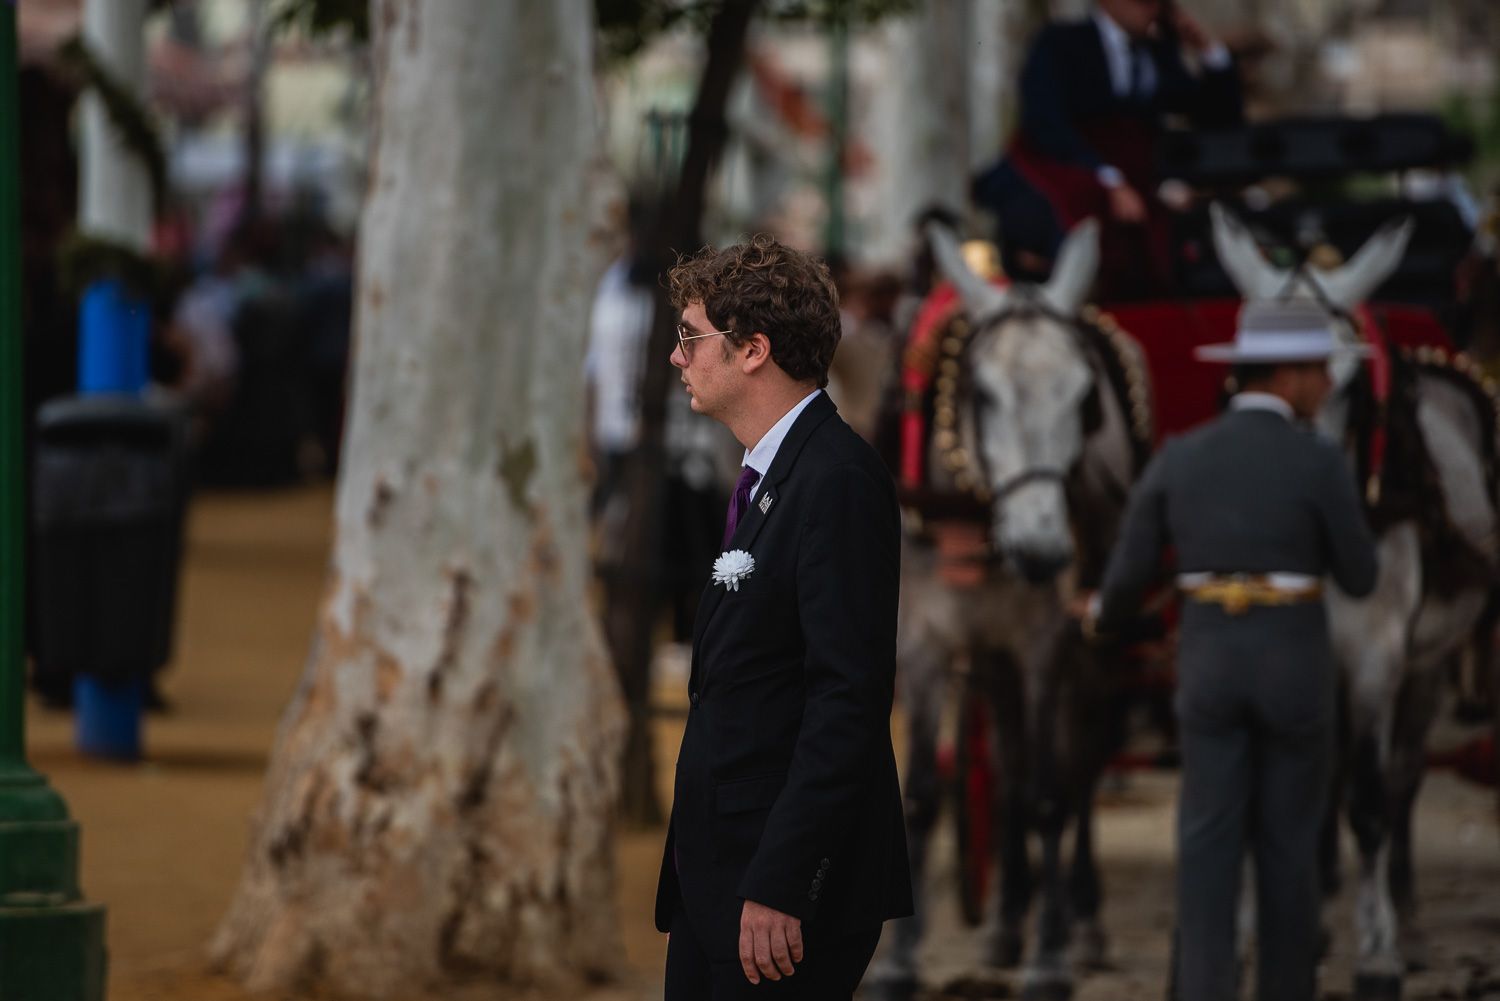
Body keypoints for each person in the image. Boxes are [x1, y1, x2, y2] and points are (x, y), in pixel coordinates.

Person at [1076, 298, 1379, 1000]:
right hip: (1295, 668)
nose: (1331, 386)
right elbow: (1362, 577)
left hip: (1209, 664)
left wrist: (1100, 616)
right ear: (1293, 374)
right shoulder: (1321, 460)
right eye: (1323, 371)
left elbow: (1125, 582)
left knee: (1207, 843)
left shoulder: (1182, 456)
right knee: (1289, 848)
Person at [653, 234, 913, 1000]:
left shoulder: (836, 481)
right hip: (718, 877)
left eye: (692, 337)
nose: (678, 358)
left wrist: (784, 879)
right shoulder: (777, 471)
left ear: (753, 349)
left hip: (777, 892)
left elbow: (849, 698)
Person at [974, 0, 1243, 295]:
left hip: (1136, 182)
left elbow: (1218, 118)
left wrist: (1209, 51)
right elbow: (1044, 124)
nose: (1150, 7)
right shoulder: (1061, 42)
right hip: (1065, 169)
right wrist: (1107, 178)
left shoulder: (1157, 51)